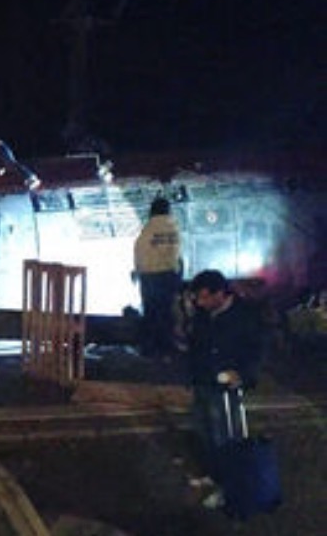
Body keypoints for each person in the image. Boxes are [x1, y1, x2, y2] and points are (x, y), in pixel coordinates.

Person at [185, 269, 266, 507]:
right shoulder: (202, 314)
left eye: (204, 297)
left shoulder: (244, 315)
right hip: (203, 381)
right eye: (197, 298)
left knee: (227, 438)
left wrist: (242, 375)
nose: (200, 302)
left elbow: (257, 350)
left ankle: (231, 488)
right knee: (205, 433)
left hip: (226, 385)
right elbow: (195, 345)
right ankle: (213, 474)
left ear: (219, 293)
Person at [133, 196, 184, 358]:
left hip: (150, 278)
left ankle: (150, 349)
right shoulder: (174, 228)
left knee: (151, 314)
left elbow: (140, 252)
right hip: (169, 276)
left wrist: (138, 272)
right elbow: (177, 255)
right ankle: (167, 347)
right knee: (168, 313)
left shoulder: (148, 230)